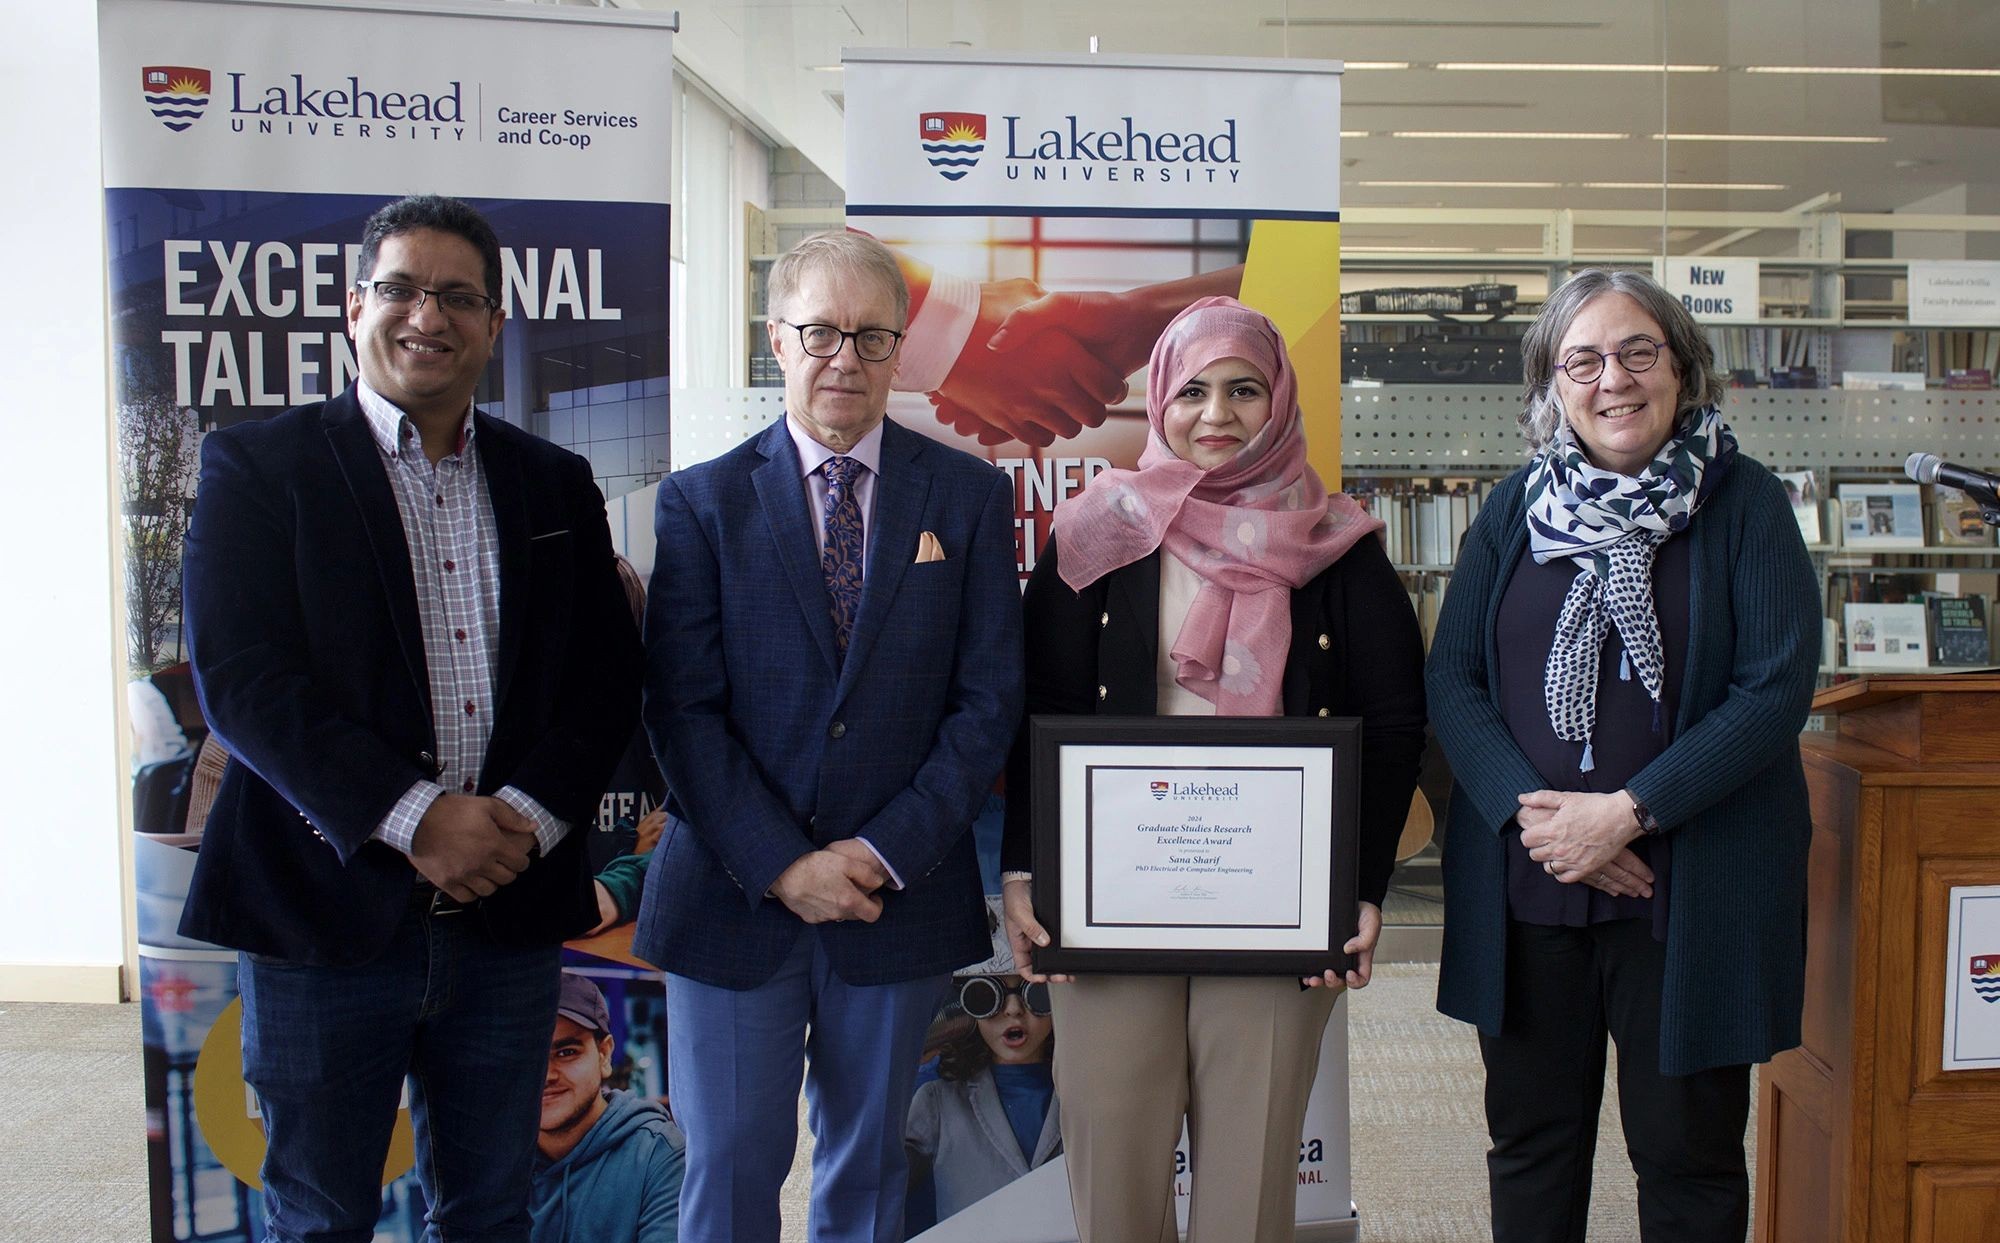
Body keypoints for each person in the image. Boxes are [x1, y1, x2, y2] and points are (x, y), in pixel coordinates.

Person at [179, 194, 641, 1241]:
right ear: (354, 307)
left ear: (493, 325)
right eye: (400, 288)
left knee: (490, 1212)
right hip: (322, 913)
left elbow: (606, 679)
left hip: (506, 921)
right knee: (321, 1213)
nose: (426, 315)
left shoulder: (553, 482)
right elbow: (243, 680)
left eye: (458, 297)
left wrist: (519, 818)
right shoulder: (259, 468)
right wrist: (417, 817)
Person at [1000, 296, 1427, 1243]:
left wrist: (1356, 888)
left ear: (1278, 401)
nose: (1217, 414)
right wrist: (1028, 871)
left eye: (1244, 389)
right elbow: (1039, 714)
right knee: (1112, 1174)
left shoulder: (1340, 547)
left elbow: (1395, 725)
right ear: (1159, 399)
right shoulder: (1096, 534)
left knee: (1250, 1189)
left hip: (1276, 913)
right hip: (1112, 908)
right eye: (1192, 391)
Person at [634, 229, 1025, 1243]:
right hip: (732, 897)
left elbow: (986, 704)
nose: (843, 357)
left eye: (869, 335)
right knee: (725, 1173)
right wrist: (782, 863)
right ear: (777, 339)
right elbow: (681, 707)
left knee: (872, 1174)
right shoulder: (700, 502)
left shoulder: (970, 497)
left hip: (894, 898)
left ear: (900, 349)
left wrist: (877, 849)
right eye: (818, 332)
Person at [1426, 268, 1820, 1243]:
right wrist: (1544, 818)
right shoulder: (1513, 508)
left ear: (1681, 368)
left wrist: (1625, 811)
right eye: (1583, 359)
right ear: (1550, 387)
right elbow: (1454, 679)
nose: (1614, 378)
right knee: (1530, 1144)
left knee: (1684, 1157)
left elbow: (1771, 690)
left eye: (1637, 351)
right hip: (1532, 883)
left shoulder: (1746, 505)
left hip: (1688, 893)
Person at [903, 928, 1060, 1230]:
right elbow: (878, 1172)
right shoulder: (938, 1102)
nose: (1013, 1009)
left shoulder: (1087, 1095)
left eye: (1035, 992)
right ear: (966, 1005)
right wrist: (906, 1059)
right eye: (986, 995)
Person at [531, 972, 685, 1243]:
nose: (547, 1075)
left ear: (604, 1055)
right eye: (528, 1057)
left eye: (566, 1052)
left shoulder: (657, 1155)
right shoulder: (493, 1164)